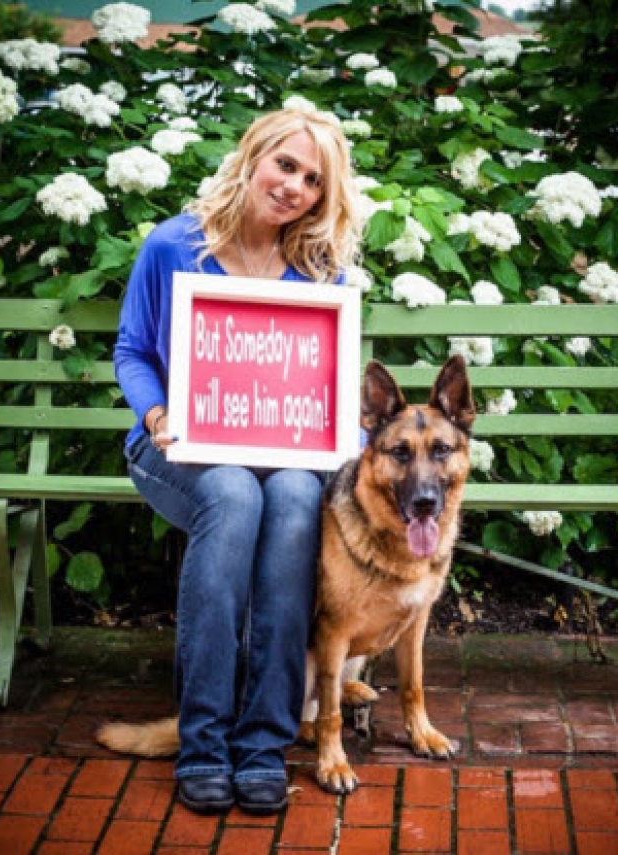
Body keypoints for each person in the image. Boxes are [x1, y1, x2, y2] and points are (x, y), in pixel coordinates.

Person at [114, 105, 362, 816]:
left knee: (293, 494)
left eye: (313, 180)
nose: (294, 187)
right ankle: (203, 741)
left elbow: (330, 383)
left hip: (282, 457)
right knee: (233, 493)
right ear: (254, 156)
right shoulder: (174, 245)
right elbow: (133, 350)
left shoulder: (322, 272)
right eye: (286, 165)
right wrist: (158, 415)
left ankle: (262, 744)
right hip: (176, 449)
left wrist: (351, 439)